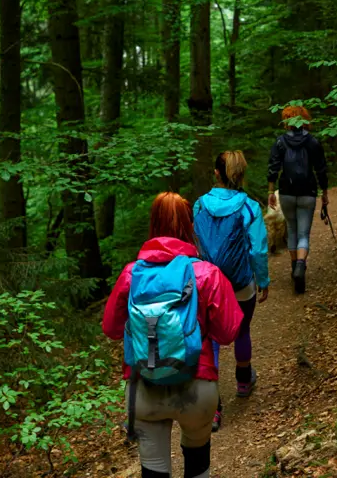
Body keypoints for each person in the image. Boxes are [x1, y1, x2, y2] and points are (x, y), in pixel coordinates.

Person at [103, 192, 243, 478]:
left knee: (153, 472)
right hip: (197, 385)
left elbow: (111, 329)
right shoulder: (207, 274)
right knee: (197, 464)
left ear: (153, 224)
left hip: (144, 385)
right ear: (189, 225)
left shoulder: (132, 275)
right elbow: (229, 332)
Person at [194, 151, 270, 432]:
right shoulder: (249, 206)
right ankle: (242, 381)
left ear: (217, 173)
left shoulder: (199, 205)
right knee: (243, 330)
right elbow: (259, 248)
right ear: (240, 174)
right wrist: (263, 280)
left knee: (210, 340)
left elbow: (197, 241)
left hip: (207, 283)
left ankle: (214, 410)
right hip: (240, 283)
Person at [267, 106, 329, 293]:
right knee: (303, 233)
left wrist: (271, 191)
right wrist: (324, 192)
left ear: (286, 120)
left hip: (286, 192)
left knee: (292, 230)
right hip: (307, 192)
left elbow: (273, 167)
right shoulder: (313, 142)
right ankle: (301, 265)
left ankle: (295, 267)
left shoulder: (280, 142)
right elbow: (321, 169)